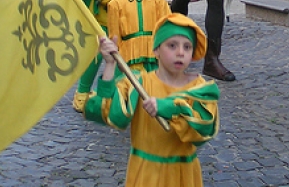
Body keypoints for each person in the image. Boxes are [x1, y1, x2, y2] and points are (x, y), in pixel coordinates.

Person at [84, 13, 220, 187]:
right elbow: (105, 111)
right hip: (146, 174)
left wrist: (167, 107)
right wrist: (110, 65)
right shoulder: (139, 84)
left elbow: (203, 130)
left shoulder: (200, 89)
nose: (180, 53)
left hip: (183, 176)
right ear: (156, 50)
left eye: (187, 47)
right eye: (172, 45)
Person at [107, 0, 171, 72]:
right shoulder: (116, 4)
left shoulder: (159, 2)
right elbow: (114, 37)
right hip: (128, 59)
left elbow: (166, 30)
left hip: (154, 59)